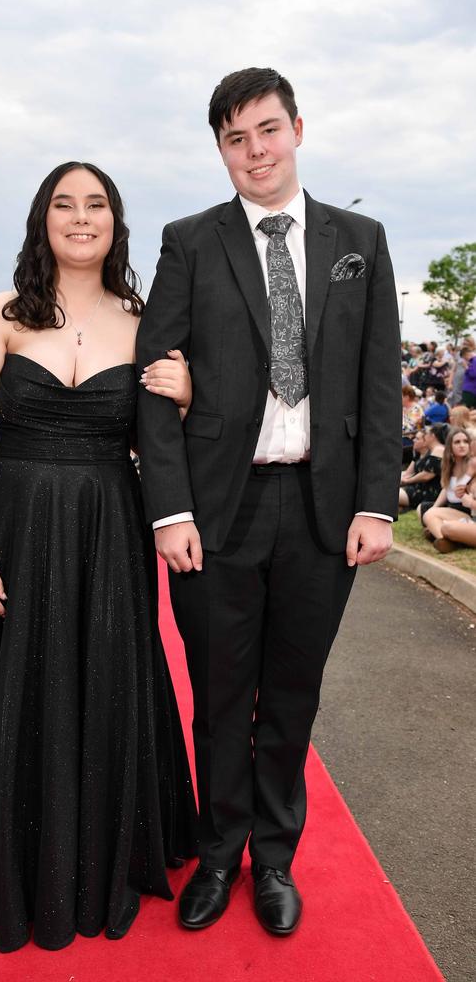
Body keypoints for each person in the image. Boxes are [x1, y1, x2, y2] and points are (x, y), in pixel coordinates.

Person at [136, 67, 401, 937]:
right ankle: (219, 853)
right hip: (219, 509)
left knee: (292, 693)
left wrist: (377, 504)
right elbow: (153, 383)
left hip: (324, 513)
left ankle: (275, 859)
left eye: (267, 131)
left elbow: (376, 382)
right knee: (218, 692)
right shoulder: (189, 241)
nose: (254, 152)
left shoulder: (359, 237)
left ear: (297, 129)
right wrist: (169, 511)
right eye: (235, 139)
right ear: (220, 149)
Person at [0, 162, 199, 952]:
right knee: (5, 692)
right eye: (64, 204)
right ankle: (19, 862)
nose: (81, 218)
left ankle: (97, 858)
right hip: (11, 532)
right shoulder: (1, 315)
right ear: (41, 219)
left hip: (107, 538)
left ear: (116, 222)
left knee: (104, 685)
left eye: (97, 205)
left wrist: (187, 396)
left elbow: (163, 446)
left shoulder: (147, 320)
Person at [421, 427, 476, 551]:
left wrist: (469, 497)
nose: (462, 445)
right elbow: (446, 489)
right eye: (457, 442)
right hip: (458, 510)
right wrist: (435, 507)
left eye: (465, 442)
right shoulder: (448, 465)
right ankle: (444, 541)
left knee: (445, 526)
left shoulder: (473, 463)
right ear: (450, 446)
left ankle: (447, 537)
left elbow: (471, 490)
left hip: (467, 510)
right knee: (428, 512)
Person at [399, 426, 444, 511]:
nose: (413, 440)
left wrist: (407, 481)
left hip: (426, 492)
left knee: (389, 494)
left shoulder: (437, 451)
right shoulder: (418, 454)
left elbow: (426, 475)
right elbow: (408, 473)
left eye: (417, 438)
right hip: (416, 488)